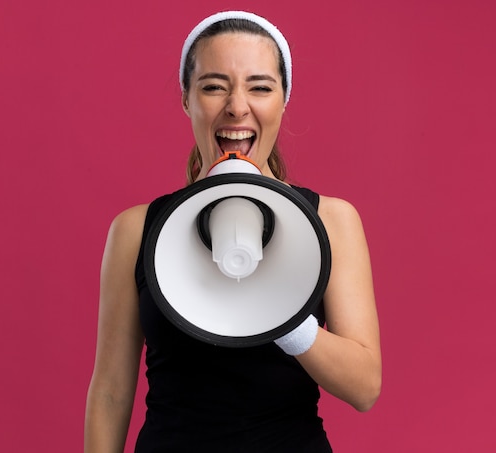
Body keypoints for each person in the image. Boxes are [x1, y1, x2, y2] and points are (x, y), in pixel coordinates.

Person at [84, 11, 381, 452]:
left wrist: (283, 318)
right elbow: (110, 391)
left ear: (284, 100)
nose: (237, 106)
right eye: (213, 87)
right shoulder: (135, 230)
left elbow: (364, 387)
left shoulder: (332, 221)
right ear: (187, 99)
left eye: (260, 87)